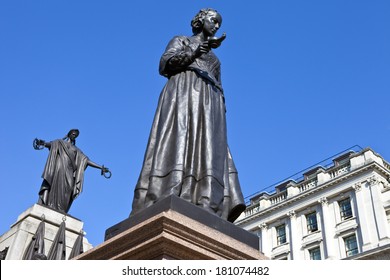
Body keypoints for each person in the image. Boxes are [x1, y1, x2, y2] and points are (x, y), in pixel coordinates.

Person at [130, 8, 245, 222]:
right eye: (214, 20)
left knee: (208, 150)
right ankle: (171, 189)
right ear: (201, 20)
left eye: (219, 23)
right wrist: (195, 52)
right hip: (183, 94)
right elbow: (165, 65)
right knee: (180, 140)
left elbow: (219, 84)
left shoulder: (216, 60)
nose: (217, 26)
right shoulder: (181, 41)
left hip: (210, 103)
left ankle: (206, 197)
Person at [34, 129, 110, 213]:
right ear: (69, 134)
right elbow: (51, 144)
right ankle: (50, 205)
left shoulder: (76, 150)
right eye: (73, 134)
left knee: (69, 188)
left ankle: (61, 209)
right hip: (59, 168)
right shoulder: (59, 142)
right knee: (55, 186)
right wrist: (43, 143)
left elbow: (86, 160)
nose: (74, 135)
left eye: (76, 135)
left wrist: (101, 167)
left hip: (69, 171)